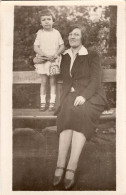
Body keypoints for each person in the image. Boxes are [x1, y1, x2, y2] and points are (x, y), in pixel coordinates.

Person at [53, 26, 109, 190]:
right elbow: (63, 77)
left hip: (92, 96)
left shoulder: (91, 55)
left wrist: (84, 96)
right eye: (70, 34)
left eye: (76, 34)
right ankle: (60, 163)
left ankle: (72, 165)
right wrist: (53, 66)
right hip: (72, 95)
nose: (72, 36)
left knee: (82, 111)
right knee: (65, 112)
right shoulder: (65, 56)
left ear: (82, 38)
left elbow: (95, 80)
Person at [33, 10, 65, 111]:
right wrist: (45, 55)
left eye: (49, 19)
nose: (46, 21)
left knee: (53, 82)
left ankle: (52, 103)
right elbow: (36, 47)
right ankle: (43, 103)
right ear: (40, 23)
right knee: (43, 82)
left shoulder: (56, 33)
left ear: (53, 21)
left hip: (53, 61)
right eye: (44, 20)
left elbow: (62, 46)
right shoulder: (40, 33)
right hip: (43, 60)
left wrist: (56, 54)